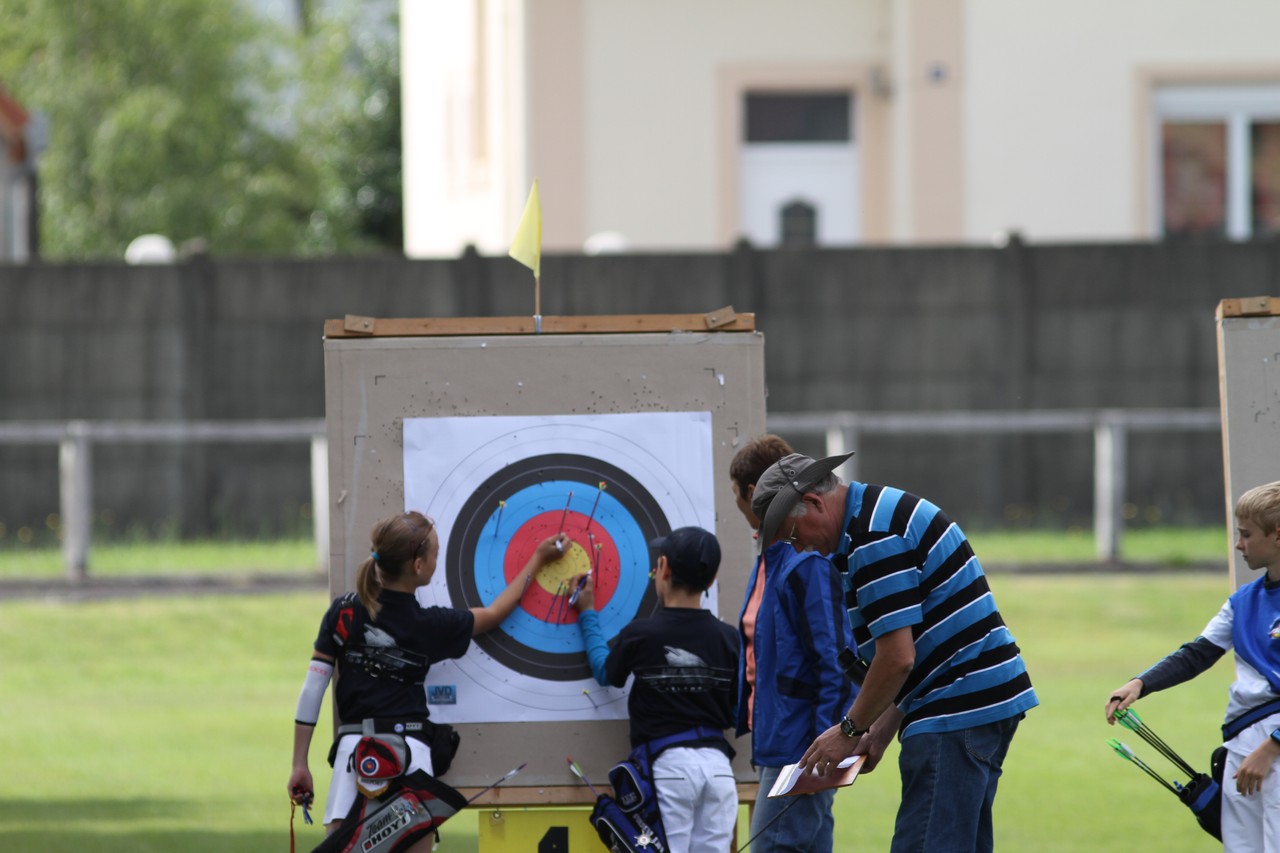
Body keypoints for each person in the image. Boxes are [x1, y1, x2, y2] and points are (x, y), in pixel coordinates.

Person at [752, 452, 1039, 853]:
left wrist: (848, 730)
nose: (799, 548)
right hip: (973, 702)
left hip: (954, 709)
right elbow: (923, 647)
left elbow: (897, 657)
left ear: (815, 503)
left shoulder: (873, 536)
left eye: (793, 533)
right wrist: (882, 728)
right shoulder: (873, 518)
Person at [286, 510, 569, 843]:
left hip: (354, 760)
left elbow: (313, 687)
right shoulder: (431, 626)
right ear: (418, 567)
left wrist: (299, 763)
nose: (437, 560)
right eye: (435, 553)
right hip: (411, 762)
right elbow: (494, 614)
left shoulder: (344, 609)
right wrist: (537, 558)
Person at [1106, 481, 1280, 852]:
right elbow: (1197, 653)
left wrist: (1272, 748)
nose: (1238, 545)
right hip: (1242, 748)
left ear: (1278, 536)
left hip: (1271, 750)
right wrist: (1140, 684)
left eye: (1247, 535)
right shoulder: (1242, 602)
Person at [571, 526, 740, 853]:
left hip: (669, 767)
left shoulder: (641, 634)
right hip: (719, 770)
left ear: (662, 568)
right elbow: (734, 710)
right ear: (712, 579)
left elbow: (606, 672)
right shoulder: (728, 637)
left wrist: (587, 612)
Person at [729, 435, 854, 852]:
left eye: (735, 495)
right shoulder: (776, 557)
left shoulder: (807, 559)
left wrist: (826, 746)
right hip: (782, 743)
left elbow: (837, 661)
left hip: (801, 749)